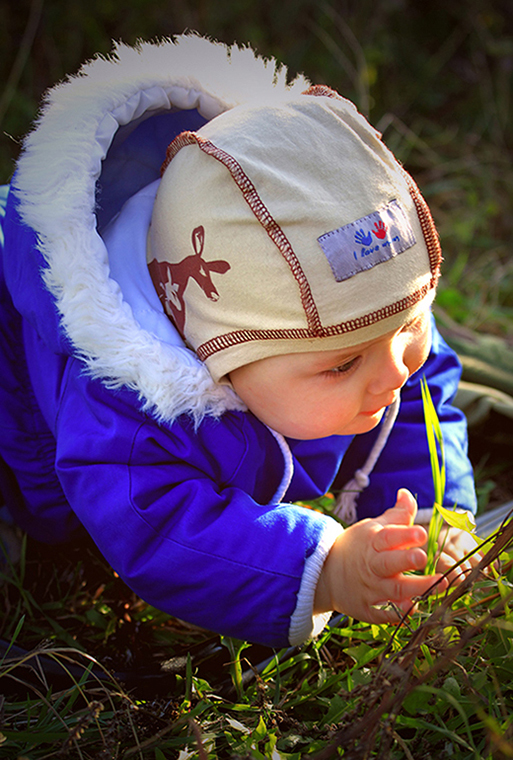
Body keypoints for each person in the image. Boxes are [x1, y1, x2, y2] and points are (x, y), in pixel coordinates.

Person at [0, 35, 477, 648]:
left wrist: (436, 519)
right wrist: (325, 569)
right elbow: (161, 522)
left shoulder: (365, 318)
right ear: (218, 358)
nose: (395, 370)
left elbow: (418, 404)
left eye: (408, 326)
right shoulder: (130, 406)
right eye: (345, 363)